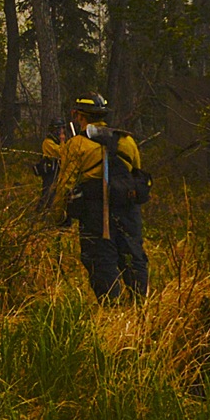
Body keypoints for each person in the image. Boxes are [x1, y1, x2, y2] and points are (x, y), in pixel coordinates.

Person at [49, 92, 151, 302]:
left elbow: (65, 184)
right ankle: (140, 304)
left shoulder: (76, 145)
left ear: (79, 116)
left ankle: (111, 308)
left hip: (94, 212)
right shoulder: (127, 140)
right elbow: (136, 172)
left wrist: (57, 215)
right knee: (133, 255)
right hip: (128, 210)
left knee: (100, 259)